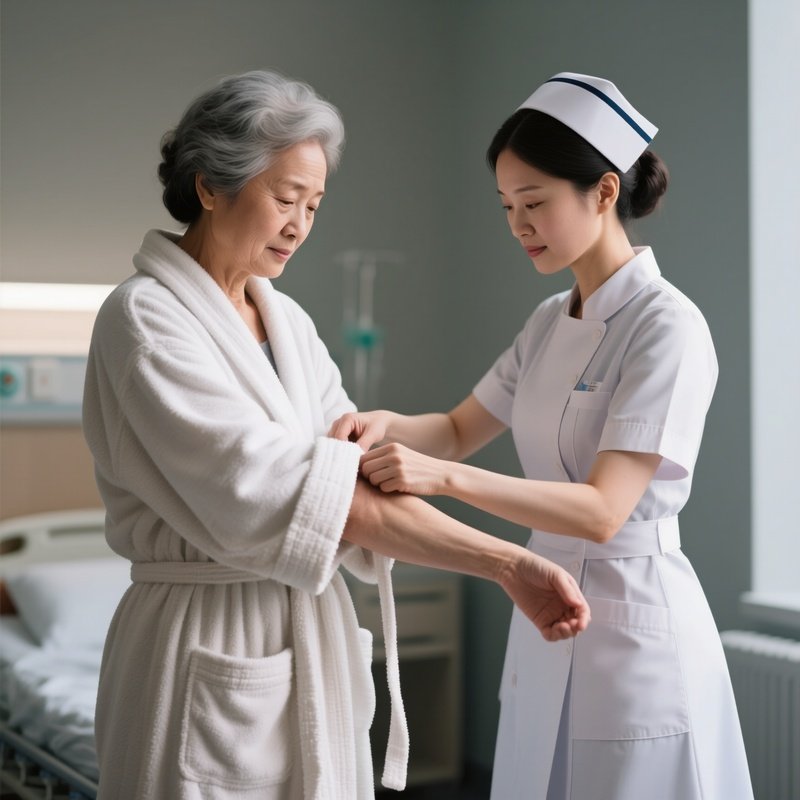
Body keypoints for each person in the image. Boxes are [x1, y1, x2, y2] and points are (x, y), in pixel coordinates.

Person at [81, 70, 589, 800]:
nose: (300, 225)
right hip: (203, 635)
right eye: (286, 198)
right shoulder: (144, 320)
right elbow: (309, 496)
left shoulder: (288, 322)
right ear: (210, 186)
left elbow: (356, 476)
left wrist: (362, 480)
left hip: (303, 631)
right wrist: (507, 564)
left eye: (314, 205)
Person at [330, 72, 754, 799]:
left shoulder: (667, 327)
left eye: (534, 203)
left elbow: (604, 510)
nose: (518, 225)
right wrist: (387, 424)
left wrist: (443, 479)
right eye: (507, 207)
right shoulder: (548, 321)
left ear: (605, 191)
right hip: (544, 613)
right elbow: (457, 429)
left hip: (633, 625)